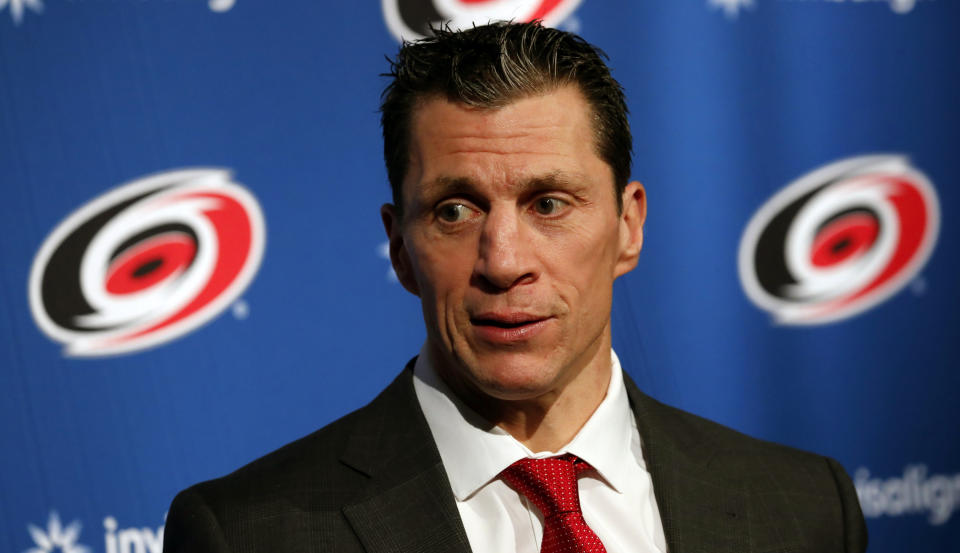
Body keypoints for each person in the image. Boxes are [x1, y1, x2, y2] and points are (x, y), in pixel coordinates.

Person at [163, 21, 867, 553]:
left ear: (628, 226)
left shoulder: (804, 510)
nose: (503, 261)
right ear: (400, 247)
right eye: (455, 209)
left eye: (549, 203)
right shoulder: (249, 533)